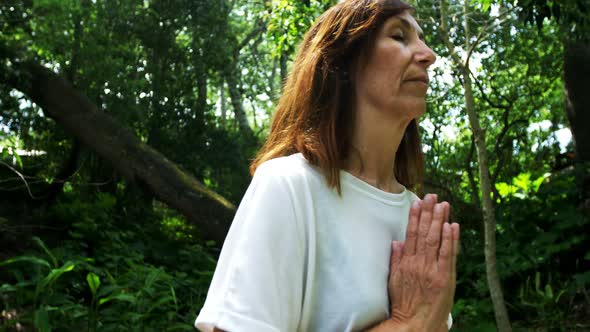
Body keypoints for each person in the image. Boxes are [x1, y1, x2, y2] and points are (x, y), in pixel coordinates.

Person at [194, 0, 460, 331]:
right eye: (399, 36)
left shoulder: (419, 219)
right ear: (343, 62)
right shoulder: (288, 186)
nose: (428, 55)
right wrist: (407, 324)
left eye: (422, 39)